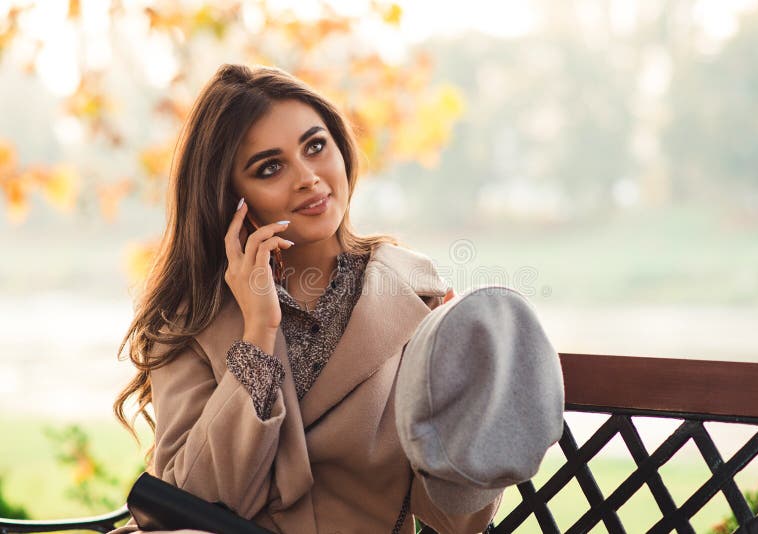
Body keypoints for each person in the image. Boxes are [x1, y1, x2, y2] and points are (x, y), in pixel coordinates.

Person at [110, 64, 501, 534]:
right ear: (231, 197)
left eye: (315, 147)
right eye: (269, 168)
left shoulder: (417, 295)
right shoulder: (190, 318)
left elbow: (461, 519)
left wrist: (466, 387)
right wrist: (258, 334)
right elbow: (193, 500)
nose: (308, 178)